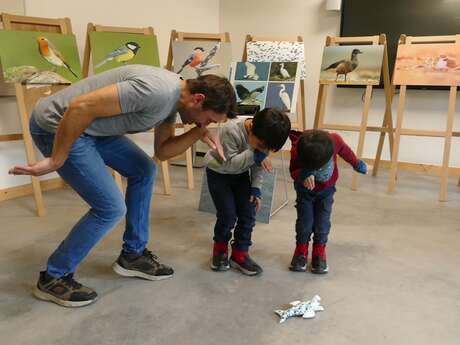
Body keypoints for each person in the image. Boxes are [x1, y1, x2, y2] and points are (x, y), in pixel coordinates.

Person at [8, 64, 236, 307]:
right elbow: (80, 107)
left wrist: (197, 134)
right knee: (110, 208)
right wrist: (56, 159)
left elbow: (163, 151)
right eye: (208, 120)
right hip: (57, 125)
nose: (205, 124)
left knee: (144, 169)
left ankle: (133, 255)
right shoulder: (158, 91)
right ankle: (54, 277)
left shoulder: (177, 99)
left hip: (91, 129)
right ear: (198, 100)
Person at [205, 108, 291, 276]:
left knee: (249, 210)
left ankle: (239, 253)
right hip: (219, 173)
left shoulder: (264, 138)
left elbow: (258, 166)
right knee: (228, 215)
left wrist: (256, 188)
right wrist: (255, 154)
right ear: (251, 128)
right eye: (260, 145)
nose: (262, 149)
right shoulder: (231, 130)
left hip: (240, 174)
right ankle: (220, 250)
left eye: (265, 148)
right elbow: (228, 164)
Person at [289, 129, 367, 274]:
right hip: (305, 192)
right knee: (304, 223)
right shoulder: (298, 148)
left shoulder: (334, 140)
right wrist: (304, 173)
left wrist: (357, 163)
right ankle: (301, 250)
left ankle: (319, 251)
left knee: (322, 222)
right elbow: (293, 171)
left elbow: (345, 151)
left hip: (326, 191)